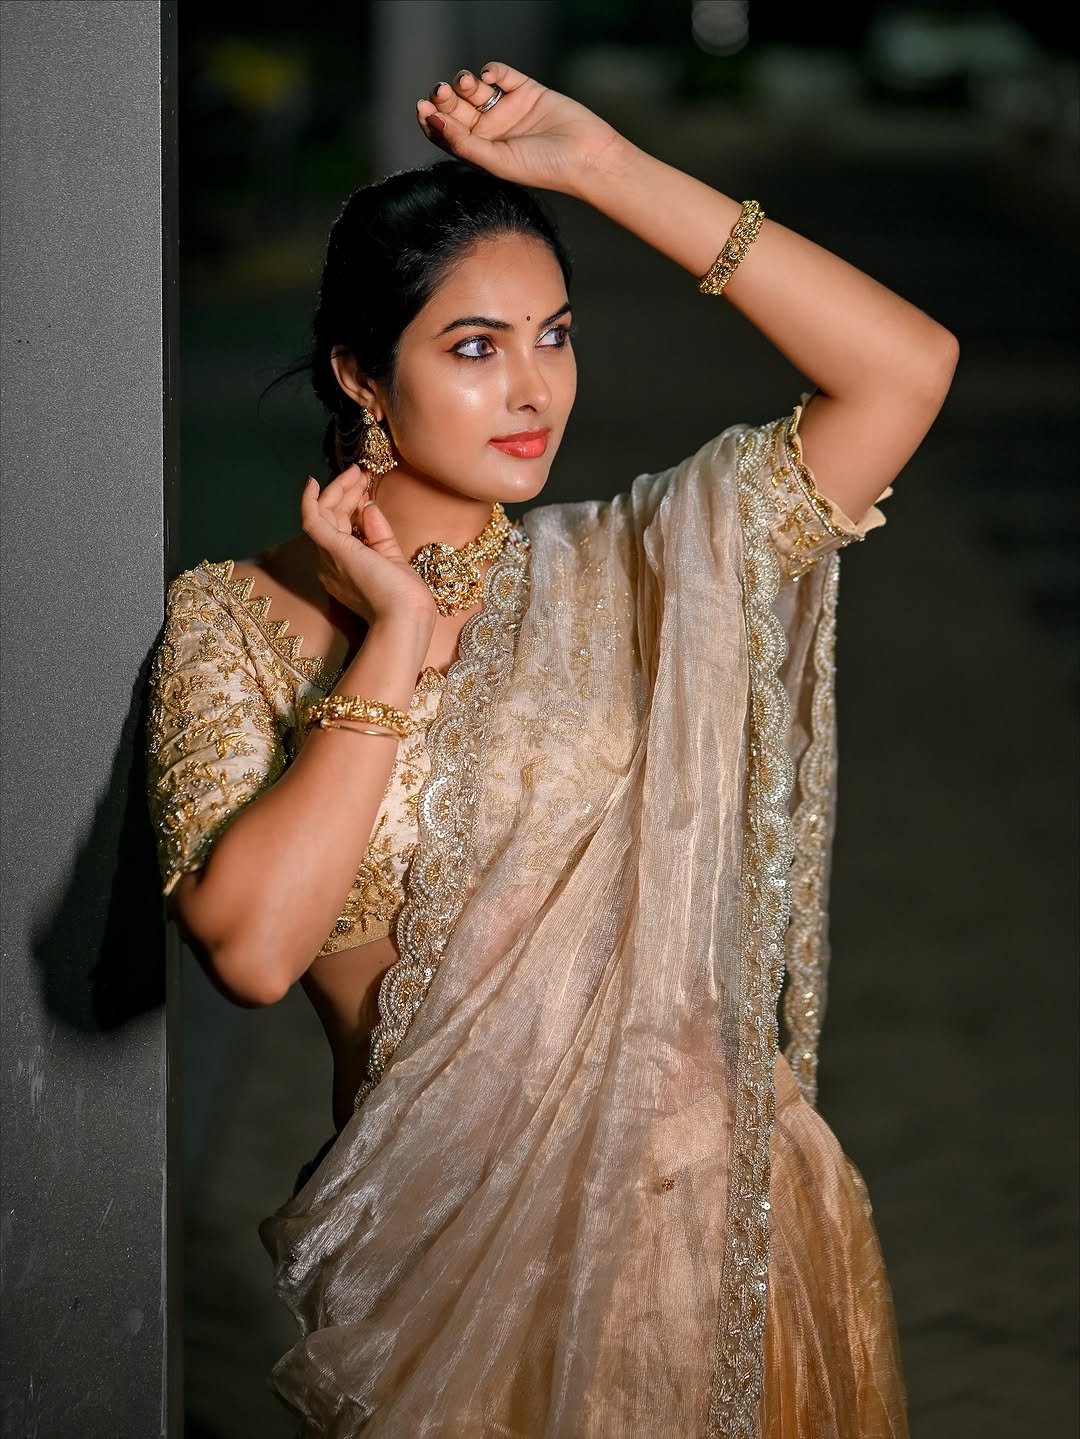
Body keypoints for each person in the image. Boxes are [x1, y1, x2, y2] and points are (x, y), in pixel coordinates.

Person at [146, 60, 957, 1439]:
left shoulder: (638, 568)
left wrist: (603, 168)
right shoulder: (236, 622)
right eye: (475, 348)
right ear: (361, 375)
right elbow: (255, 950)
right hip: (441, 1265)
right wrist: (395, 639)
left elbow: (905, 369)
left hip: (705, 1238)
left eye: (556, 336)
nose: (534, 391)